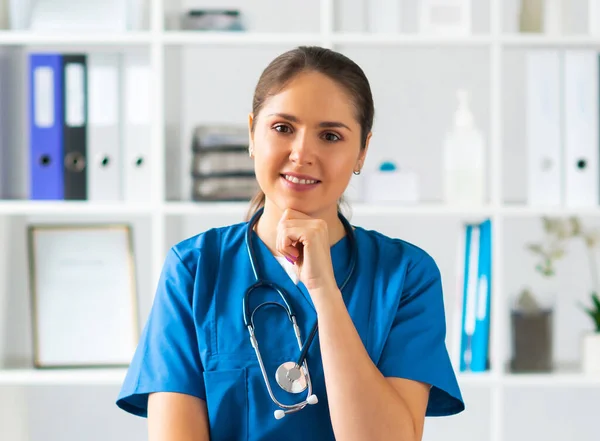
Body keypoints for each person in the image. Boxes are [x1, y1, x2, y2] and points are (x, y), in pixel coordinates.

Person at [115, 45, 465, 440]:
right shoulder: (194, 270)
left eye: (330, 135)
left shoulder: (405, 275)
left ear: (362, 151)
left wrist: (324, 292)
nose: (302, 154)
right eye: (282, 128)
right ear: (252, 134)